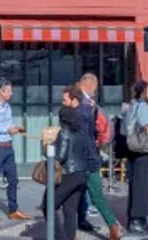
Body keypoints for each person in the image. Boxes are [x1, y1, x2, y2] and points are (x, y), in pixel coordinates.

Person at [42, 85, 97, 240]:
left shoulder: (64, 132)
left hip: (68, 174)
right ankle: (69, 237)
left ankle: (58, 236)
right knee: (70, 210)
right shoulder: (81, 129)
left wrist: (46, 148)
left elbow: (60, 156)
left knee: (48, 204)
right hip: (82, 173)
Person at [75, 73, 120, 240]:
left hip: (85, 156)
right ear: (91, 85)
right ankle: (81, 219)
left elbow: (99, 130)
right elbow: (102, 132)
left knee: (94, 194)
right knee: (81, 191)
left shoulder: (85, 104)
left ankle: (112, 224)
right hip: (89, 153)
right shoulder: (89, 104)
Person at [0, 79, 29, 222]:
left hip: (8, 147)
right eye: (8, 90)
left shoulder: (7, 107)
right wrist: (6, 129)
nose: (11, 93)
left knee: (13, 180)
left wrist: (16, 128)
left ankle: (13, 210)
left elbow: (8, 124)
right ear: (0, 91)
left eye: (11, 90)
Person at [124, 80, 148, 234]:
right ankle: (138, 220)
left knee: (135, 184)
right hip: (143, 149)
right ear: (145, 91)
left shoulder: (130, 106)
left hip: (132, 149)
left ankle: (134, 218)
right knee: (142, 185)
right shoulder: (143, 106)